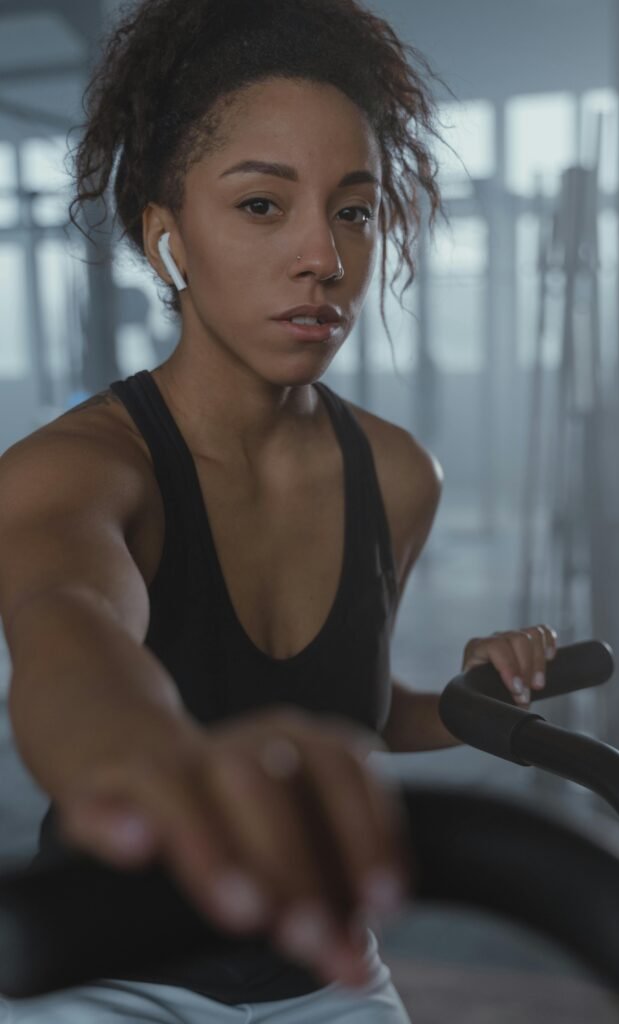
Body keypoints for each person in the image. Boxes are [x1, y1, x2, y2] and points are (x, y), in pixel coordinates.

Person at [0, 0, 557, 1020]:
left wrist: (470, 702)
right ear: (167, 239)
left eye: (351, 209)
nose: (324, 259)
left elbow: (355, 718)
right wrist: (147, 762)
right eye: (262, 206)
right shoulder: (69, 473)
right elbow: (66, 643)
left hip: (326, 979)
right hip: (115, 978)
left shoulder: (396, 473)